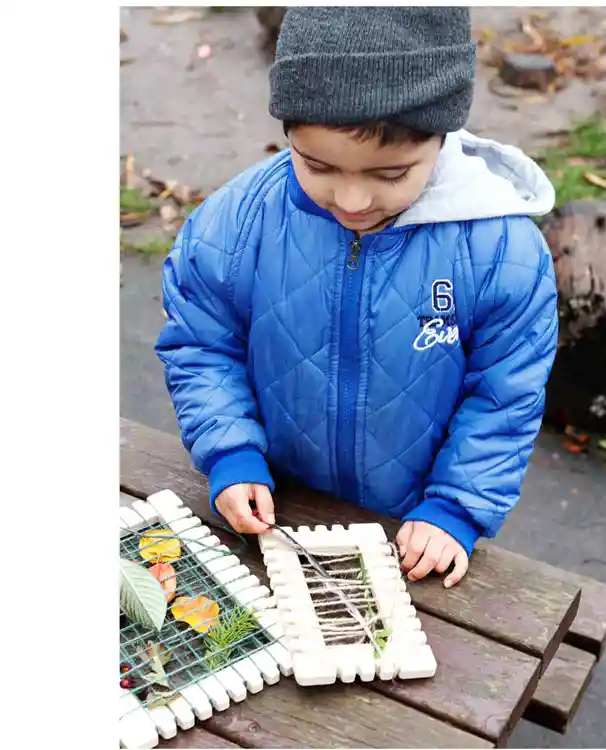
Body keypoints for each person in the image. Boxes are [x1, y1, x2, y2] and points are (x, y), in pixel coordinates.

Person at [156, 7, 558, 589]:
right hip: (277, 506)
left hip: (415, 531)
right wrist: (230, 452)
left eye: (390, 175)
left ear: (440, 139)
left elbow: (505, 395)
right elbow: (200, 342)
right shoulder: (238, 222)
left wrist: (456, 508)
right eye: (316, 165)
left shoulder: (499, 248)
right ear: (289, 131)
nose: (350, 199)